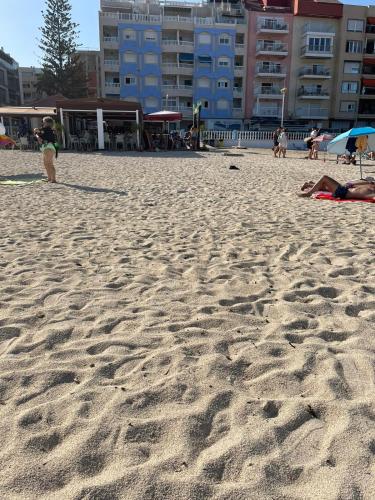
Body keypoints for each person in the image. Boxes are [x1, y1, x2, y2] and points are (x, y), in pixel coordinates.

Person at [298, 175, 375, 200]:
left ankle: (309, 193)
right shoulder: (370, 186)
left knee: (325, 178)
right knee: (325, 183)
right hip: (345, 190)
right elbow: (367, 183)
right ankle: (310, 185)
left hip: (343, 193)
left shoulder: (372, 193)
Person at [34, 116, 58, 183]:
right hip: (48, 147)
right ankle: (49, 178)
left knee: (49, 163)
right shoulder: (48, 130)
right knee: (46, 163)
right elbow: (38, 134)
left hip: (49, 147)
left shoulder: (47, 129)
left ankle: (53, 179)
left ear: (47, 123)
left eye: (43, 121)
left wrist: (36, 133)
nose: (42, 122)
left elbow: (38, 131)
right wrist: (37, 135)